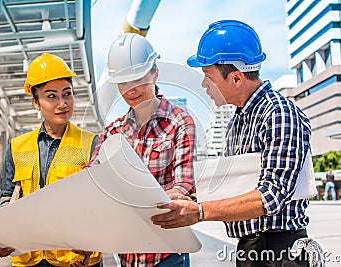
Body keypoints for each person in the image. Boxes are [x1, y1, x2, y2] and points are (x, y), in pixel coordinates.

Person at [151, 20, 313, 266]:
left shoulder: (278, 113)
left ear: (236, 78)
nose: (204, 85)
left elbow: (271, 195)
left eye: (208, 77)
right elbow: (234, 185)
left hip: (280, 251)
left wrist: (200, 212)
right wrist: (190, 199)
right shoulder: (237, 121)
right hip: (252, 248)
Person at [88, 33, 196, 267]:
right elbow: (93, 182)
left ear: (155, 72)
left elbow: (183, 185)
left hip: (167, 256)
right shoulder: (112, 132)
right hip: (127, 256)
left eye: (138, 79)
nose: (131, 90)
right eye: (123, 83)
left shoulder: (179, 122)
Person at [0, 53, 102, 267]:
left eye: (67, 94)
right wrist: (1, 235)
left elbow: (101, 203)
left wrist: (94, 242)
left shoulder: (91, 144)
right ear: (35, 101)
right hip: (29, 257)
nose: (62, 103)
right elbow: (7, 196)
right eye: (51, 96)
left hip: (75, 259)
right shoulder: (17, 147)